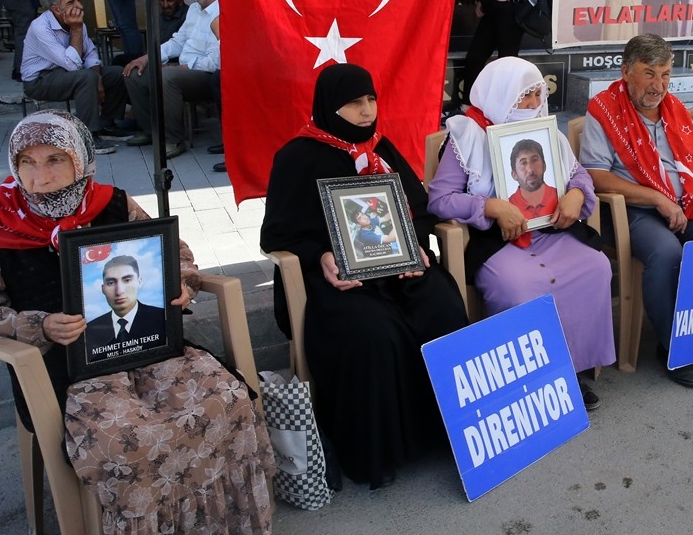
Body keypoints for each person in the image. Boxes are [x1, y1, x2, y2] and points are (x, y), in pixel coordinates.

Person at [0, 110, 274, 535]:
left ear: (81, 160)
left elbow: (173, 254)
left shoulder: (112, 204)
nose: (41, 176)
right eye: (28, 162)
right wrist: (36, 325)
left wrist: (180, 283)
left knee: (223, 398)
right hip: (68, 370)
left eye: (55, 159)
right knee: (128, 438)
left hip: (145, 347)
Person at [261, 64, 468, 489]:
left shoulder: (381, 148)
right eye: (354, 102)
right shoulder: (297, 156)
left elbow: (419, 210)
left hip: (397, 270)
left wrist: (415, 247)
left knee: (442, 309)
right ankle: (380, 452)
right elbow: (277, 236)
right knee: (373, 334)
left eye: (371, 99)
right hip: (337, 277)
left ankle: (451, 432)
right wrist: (320, 255)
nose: (367, 110)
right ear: (329, 106)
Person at [430, 57, 616, 409]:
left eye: (536, 95)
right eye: (523, 97)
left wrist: (576, 195)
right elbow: (440, 200)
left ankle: (569, 370)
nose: (532, 105)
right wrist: (490, 207)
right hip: (497, 241)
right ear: (499, 95)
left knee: (595, 267)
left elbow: (578, 175)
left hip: (552, 231)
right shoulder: (467, 135)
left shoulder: (547, 132)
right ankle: (524, 379)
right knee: (518, 285)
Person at [578, 34, 693, 388]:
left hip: (684, 203)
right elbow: (595, 175)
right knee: (667, 252)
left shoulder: (676, 109)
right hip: (633, 210)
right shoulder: (603, 110)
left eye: (665, 74)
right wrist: (656, 198)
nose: (658, 85)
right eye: (649, 73)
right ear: (626, 71)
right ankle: (672, 345)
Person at [123, 0, 220, 158]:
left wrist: (185, 67)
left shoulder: (222, 13)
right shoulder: (194, 10)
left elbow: (217, 60)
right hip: (184, 69)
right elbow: (177, 42)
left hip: (206, 74)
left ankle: (174, 139)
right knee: (134, 73)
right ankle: (151, 131)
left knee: (166, 77)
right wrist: (147, 57)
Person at [20, 0, 127, 153]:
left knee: (117, 73)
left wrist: (99, 80)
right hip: (40, 80)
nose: (79, 6)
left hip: (67, 74)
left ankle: (107, 123)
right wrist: (76, 29)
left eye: (78, 0)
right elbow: (72, 64)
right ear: (56, 9)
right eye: (71, 3)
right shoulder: (40, 27)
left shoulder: (76, 20)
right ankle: (87, 136)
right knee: (86, 77)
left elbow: (90, 54)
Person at [84, 255, 168, 355]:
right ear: (103, 289)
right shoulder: (90, 330)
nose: (119, 291)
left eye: (127, 280)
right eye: (110, 283)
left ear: (139, 282)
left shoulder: (163, 318)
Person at [507, 138, 560, 219]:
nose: (530, 170)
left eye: (534, 160)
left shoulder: (560, 196)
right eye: (523, 163)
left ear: (544, 166)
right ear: (514, 174)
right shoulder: (508, 207)